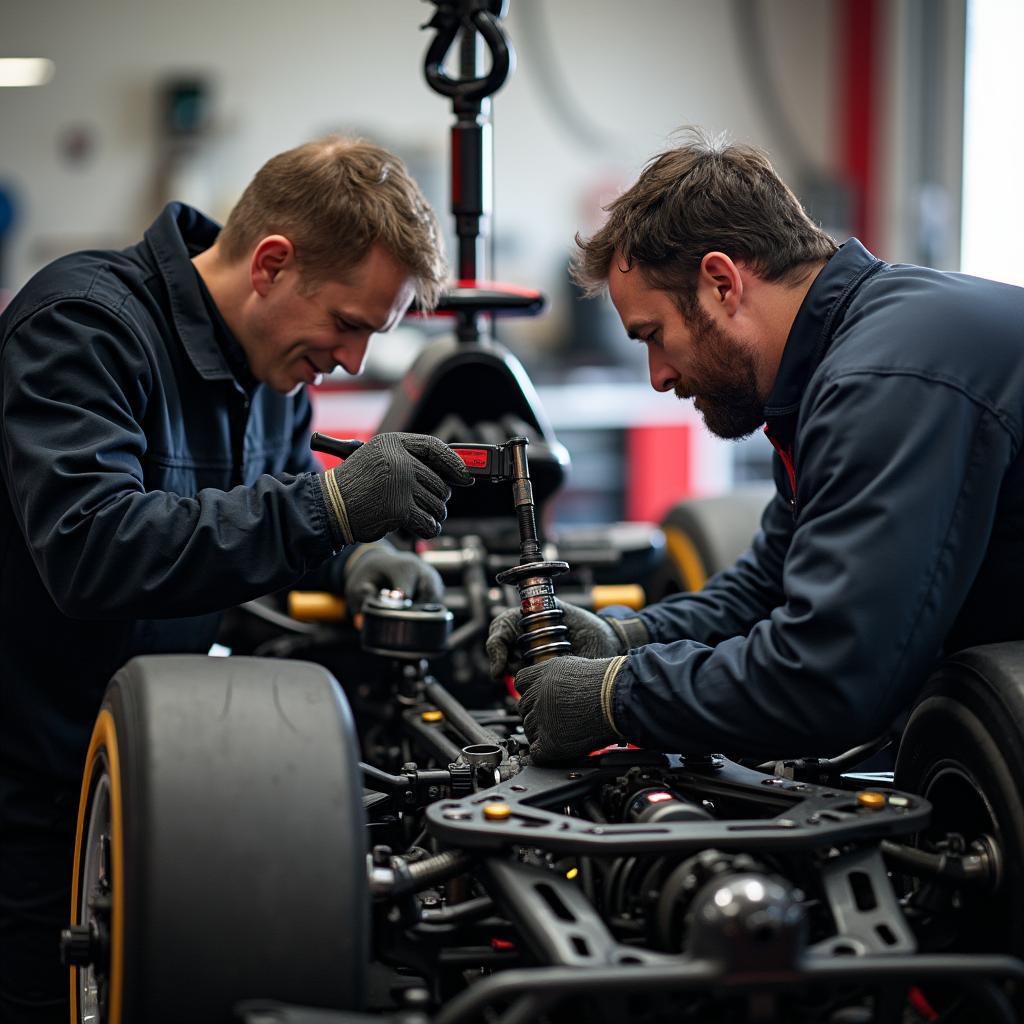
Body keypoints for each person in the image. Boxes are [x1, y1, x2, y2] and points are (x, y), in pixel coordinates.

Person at [0, 136, 472, 1022]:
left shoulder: (273, 372)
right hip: (31, 791)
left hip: (157, 772)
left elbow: (274, 530)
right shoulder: (82, 327)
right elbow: (93, 549)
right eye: (349, 323)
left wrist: (363, 558)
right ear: (271, 263)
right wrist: (333, 508)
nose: (353, 361)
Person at [488, 127, 1024, 765]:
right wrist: (624, 638)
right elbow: (769, 586)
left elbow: (828, 679)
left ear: (721, 282)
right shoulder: (832, 363)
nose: (658, 376)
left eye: (653, 335)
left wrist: (615, 696)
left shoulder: (883, 382)